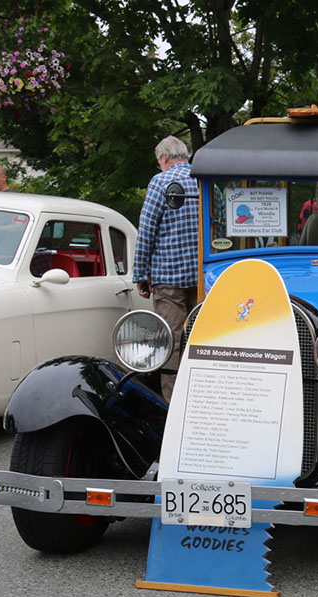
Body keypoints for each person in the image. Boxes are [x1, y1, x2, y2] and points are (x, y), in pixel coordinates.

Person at [133, 136, 199, 401]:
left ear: (163, 158)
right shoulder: (203, 180)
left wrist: (140, 274)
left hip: (168, 278)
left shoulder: (160, 182)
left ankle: (172, 403)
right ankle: (198, 396)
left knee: (170, 341)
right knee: (199, 337)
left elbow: (147, 231)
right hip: (202, 276)